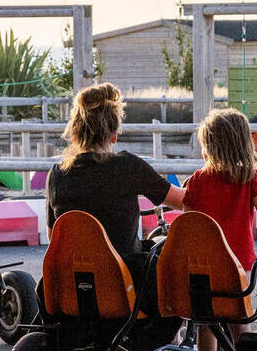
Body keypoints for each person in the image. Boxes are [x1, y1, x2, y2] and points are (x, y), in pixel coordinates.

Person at [45, 82, 185, 309]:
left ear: (75, 133)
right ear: (113, 134)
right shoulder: (127, 166)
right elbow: (182, 200)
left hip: (72, 287)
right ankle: (172, 339)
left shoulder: (57, 175)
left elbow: (55, 239)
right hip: (125, 288)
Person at [181, 108, 257, 351]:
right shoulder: (249, 176)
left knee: (207, 322)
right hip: (238, 268)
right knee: (240, 322)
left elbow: (189, 217)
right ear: (243, 142)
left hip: (204, 268)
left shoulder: (198, 179)